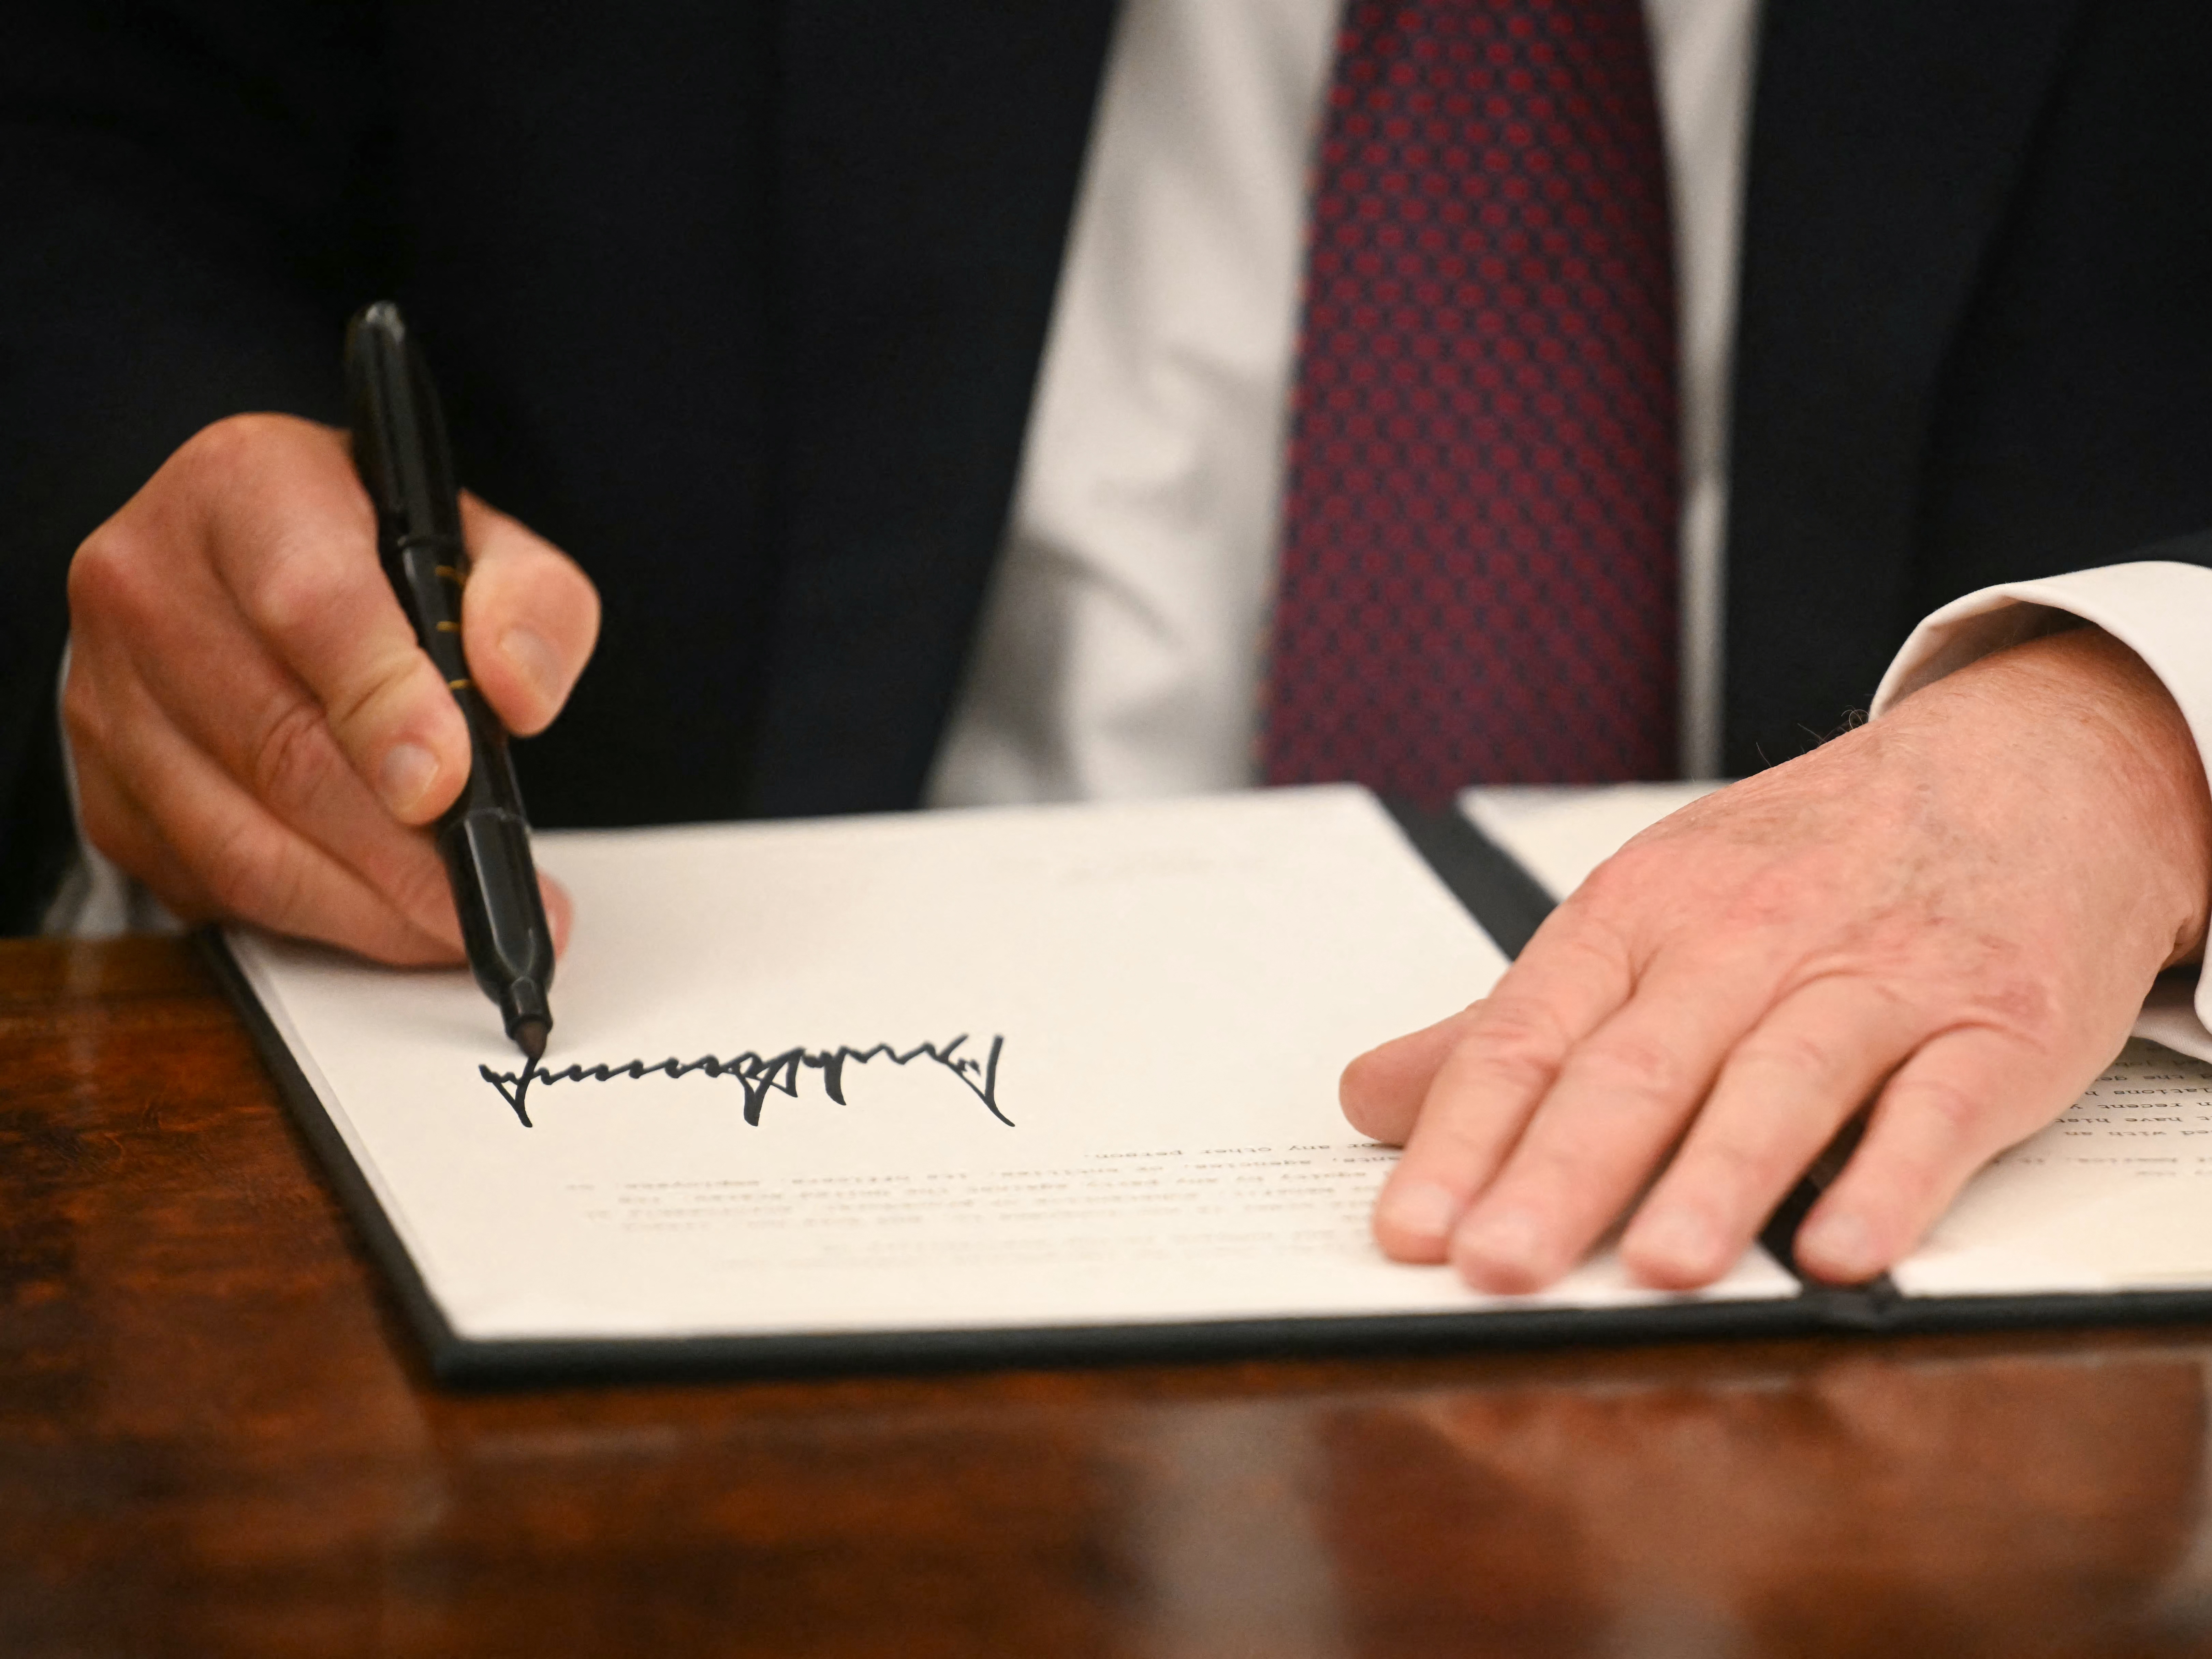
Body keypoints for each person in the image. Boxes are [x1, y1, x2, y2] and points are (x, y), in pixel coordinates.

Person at [5, 0, 2211, 1298]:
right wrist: (169, 495)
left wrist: (2150, 729)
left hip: (1936, 1273)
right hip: (693, 1194)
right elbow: (96, 136)